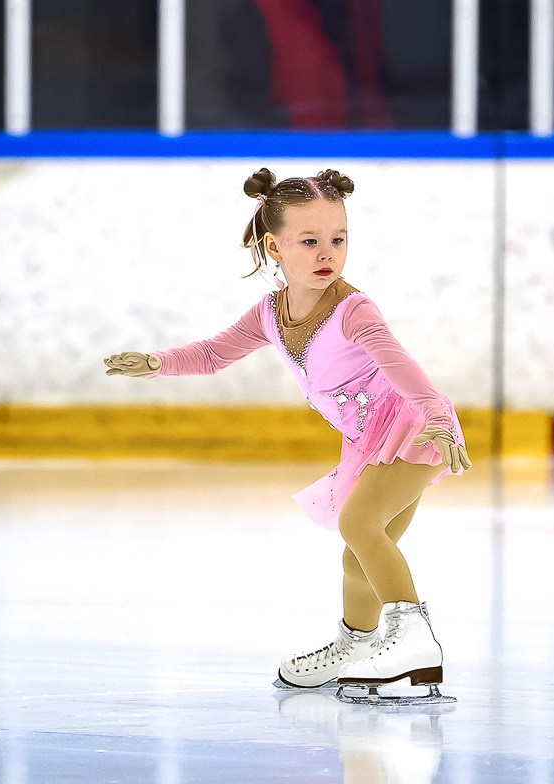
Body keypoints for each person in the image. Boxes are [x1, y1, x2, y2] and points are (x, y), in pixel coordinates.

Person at [104, 167, 470, 700]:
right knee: (361, 550)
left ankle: (412, 640)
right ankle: (359, 643)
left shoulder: (352, 309)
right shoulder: (271, 313)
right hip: (372, 440)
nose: (328, 253)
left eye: (338, 239)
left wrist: (436, 418)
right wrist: (156, 362)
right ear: (274, 246)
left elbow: (399, 363)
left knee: (359, 523)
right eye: (310, 241)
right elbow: (212, 354)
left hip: (414, 427)